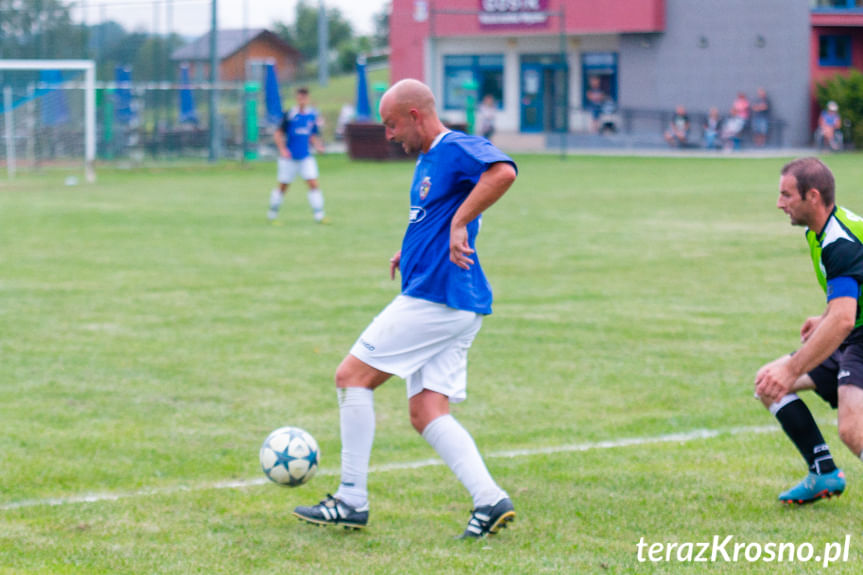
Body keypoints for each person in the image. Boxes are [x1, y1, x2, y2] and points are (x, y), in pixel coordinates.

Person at [292, 79, 518, 539]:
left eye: (392, 125)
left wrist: (460, 223)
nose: (389, 135)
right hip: (451, 298)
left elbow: (503, 172)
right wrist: (408, 251)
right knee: (427, 411)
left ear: (416, 115)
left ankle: (351, 499)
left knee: (351, 377)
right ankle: (491, 501)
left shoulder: (454, 146)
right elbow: (429, 217)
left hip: (437, 296)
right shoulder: (428, 160)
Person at [755, 157, 863, 504]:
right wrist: (826, 315)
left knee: (852, 429)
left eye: (786, 195)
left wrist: (793, 368)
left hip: (858, 334)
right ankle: (823, 473)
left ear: (812, 196)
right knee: (768, 383)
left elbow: (845, 320)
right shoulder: (819, 231)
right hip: (853, 331)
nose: (779, 203)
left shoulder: (838, 242)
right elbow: (846, 303)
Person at [267, 87, 327, 224]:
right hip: (289, 158)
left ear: (308, 99)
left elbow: (311, 135)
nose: (302, 101)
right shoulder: (289, 115)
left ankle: (319, 215)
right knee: (283, 186)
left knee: (313, 183)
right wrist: (282, 149)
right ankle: (272, 213)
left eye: (304, 98)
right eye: (300, 98)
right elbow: (278, 133)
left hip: (305, 157)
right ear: (297, 98)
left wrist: (318, 146)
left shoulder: (312, 115)